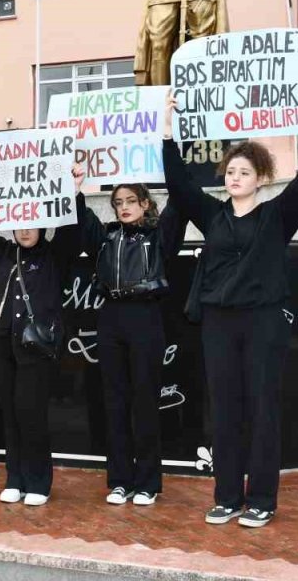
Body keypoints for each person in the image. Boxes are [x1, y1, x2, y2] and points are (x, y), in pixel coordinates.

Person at [162, 94, 298, 528]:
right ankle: (227, 496)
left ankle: (261, 500)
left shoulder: (277, 216)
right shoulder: (213, 215)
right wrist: (167, 132)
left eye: (244, 172)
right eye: (231, 171)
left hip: (263, 323)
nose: (236, 177)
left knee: (262, 408)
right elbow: (180, 184)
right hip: (218, 322)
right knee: (225, 409)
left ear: (260, 178)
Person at [0, 165, 84, 506]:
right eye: (19, 223)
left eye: (31, 222)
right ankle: (15, 477)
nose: (25, 230)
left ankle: (38, 481)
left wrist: (76, 190)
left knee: (31, 413)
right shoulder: (0, 252)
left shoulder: (54, 255)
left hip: (34, 351)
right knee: (8, 413)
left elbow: (74, 231)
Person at [77, 181, 187, 507]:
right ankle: (120, 481)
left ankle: (148, 482)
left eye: (130, 201)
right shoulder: (107, 236)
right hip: (111, 317)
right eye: (118, 202)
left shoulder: (158, 236)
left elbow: (180, 205)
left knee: (144, 401)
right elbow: (82, 219)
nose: (124, 207)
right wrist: (75, 188)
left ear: (144, 204)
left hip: (146, 316)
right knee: (115, 403)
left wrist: (172, 156)